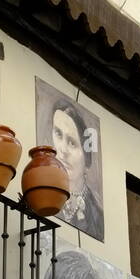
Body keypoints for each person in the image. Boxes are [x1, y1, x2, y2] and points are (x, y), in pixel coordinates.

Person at [50, 99, 104, 239]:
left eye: (72, 143)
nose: (62, 150)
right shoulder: (43, 193)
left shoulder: (96, 217)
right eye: (58, 134)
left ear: (86, 159)